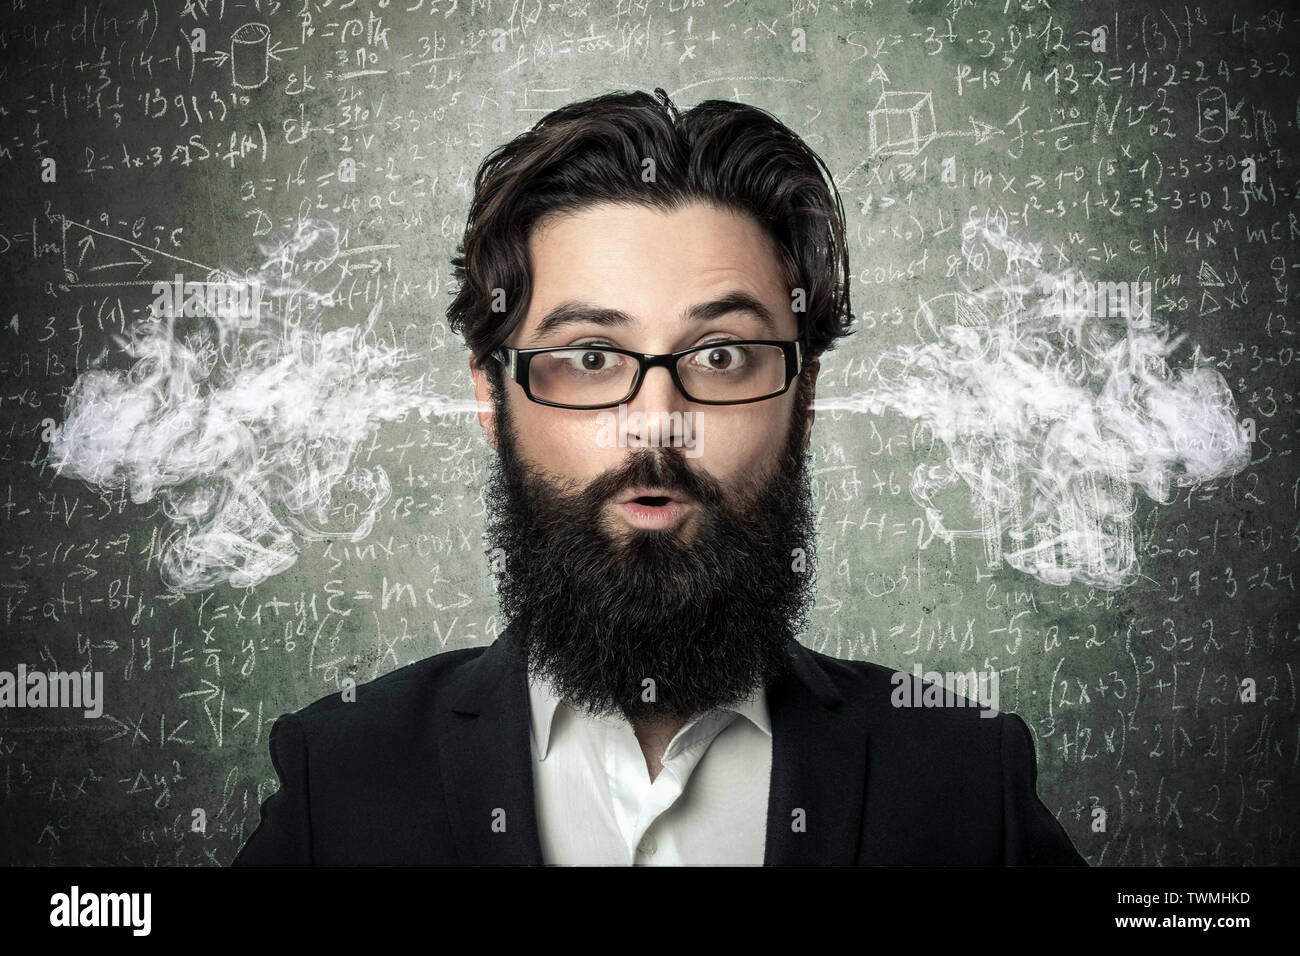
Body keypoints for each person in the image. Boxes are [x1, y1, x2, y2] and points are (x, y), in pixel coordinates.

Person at [233, 89, 1086, 866]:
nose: (658, 422)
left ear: (806, 397)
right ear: (492, 401)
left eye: (720, 355)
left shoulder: (967, 780)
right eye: (591, 357)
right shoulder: (338, 777)